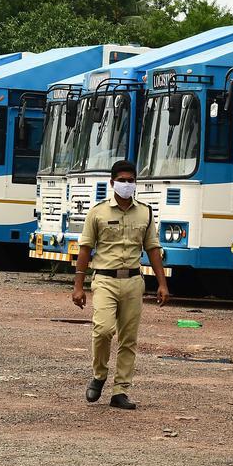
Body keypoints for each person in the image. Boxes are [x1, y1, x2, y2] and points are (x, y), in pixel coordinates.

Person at [72, 160, 170, 409]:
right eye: (123, 180)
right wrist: (78, 285)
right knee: (103, 330)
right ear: (112, 182)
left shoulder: (145, 212)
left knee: (129, 338)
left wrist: (162, 283)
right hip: (105, 280)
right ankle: (99, 375)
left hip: (134, 281)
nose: (127, 184)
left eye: (131, 180)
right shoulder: (98, 212)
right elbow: (85, 249)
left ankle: (120, 391)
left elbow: (153, 249)